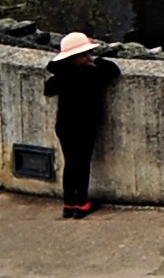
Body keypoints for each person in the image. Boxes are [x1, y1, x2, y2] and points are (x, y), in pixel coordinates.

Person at [44, 33, 117, 220]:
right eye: (85, 54)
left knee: (70, 164)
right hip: (84, 126)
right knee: (82, 164)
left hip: (64, 125)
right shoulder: (90, 74)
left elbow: (49, 88)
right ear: (77, 57)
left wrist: (62, 65)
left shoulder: (61, 75)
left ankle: (69, 203)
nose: (89, 56)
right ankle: (82, 203)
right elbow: (113, 70)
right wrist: (97, 59)